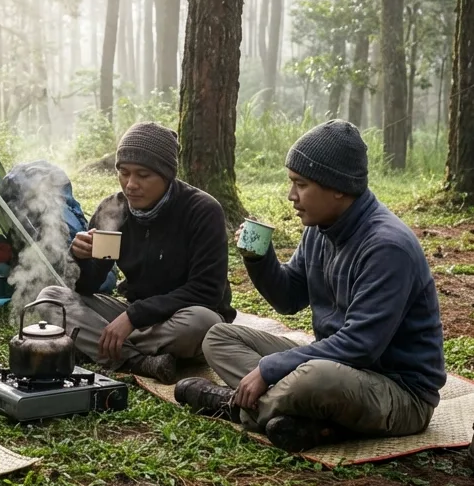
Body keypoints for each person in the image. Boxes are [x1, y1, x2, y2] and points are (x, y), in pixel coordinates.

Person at [175, 120, 446, 453]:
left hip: (398, 392)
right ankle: (302, 418)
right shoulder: (320, 228)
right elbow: (289, 298)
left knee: (314, 378)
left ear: (338, 187)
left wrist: (268, 369)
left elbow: (360, 346)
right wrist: (259, 259)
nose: (291, 196)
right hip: (338, 369)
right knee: (219, 336)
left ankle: (236, 406)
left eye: (300, 184)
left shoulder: (387, 247)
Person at [37, 122, 235, 383]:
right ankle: (139, 361)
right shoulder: (113, 209)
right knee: (50, 299)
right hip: (134, 314)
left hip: (181, 317)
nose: (130, 185)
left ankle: (105, 346)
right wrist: (81, 258)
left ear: (167, 175)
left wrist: (132, 317)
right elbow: (88, 286)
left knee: (204, 322)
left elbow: (206, 291)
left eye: (143, 175)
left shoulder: (201, 210)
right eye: (124, 172)